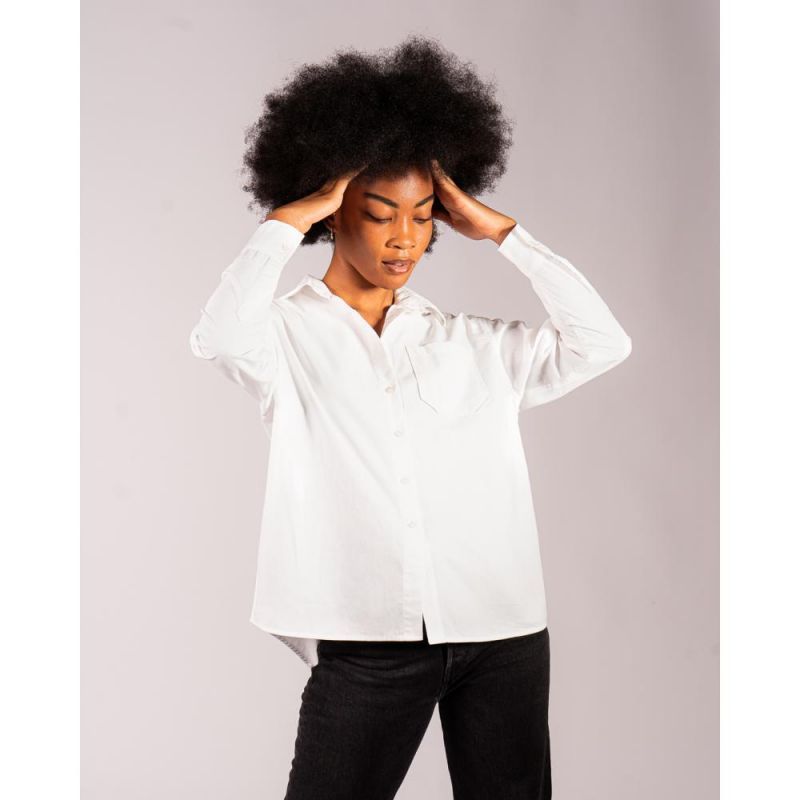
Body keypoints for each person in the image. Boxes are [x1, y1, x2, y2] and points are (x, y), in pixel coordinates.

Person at [189, 35, 631, 800]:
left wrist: (506, 235)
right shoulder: (285, 337)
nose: (405, 238)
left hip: (503, 633)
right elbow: (217, 337)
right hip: (368, 640)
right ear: (335, 214)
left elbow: (603, 343)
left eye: (424, 217)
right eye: (380, 212)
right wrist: (286, 222)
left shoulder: (470, 343)